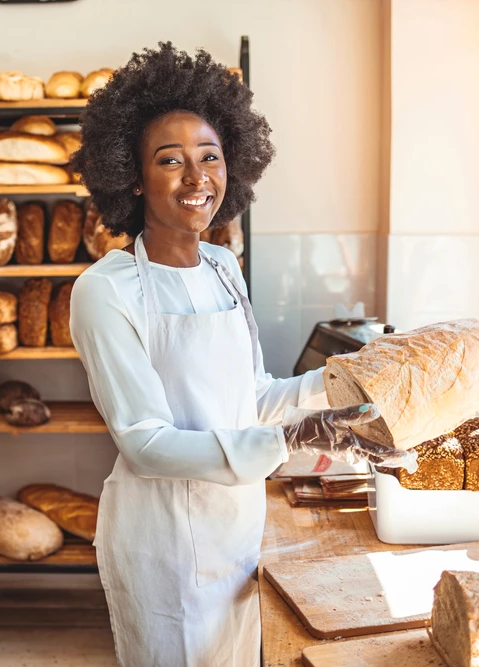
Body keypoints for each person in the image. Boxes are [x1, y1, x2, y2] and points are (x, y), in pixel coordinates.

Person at [69, 43, 389, 667]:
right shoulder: (106, 290)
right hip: (162, 544)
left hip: (238, 526)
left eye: (210, 157)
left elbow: (253, 393)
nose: (197, 178)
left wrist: (338, 382)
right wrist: (289, 442)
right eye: (171, 161)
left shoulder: (223, 267)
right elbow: (145, 442)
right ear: (132, 175)